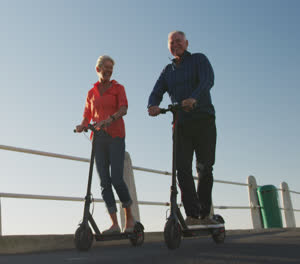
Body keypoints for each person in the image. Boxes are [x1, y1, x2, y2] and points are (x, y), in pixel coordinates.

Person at [147, 31, 218, 226]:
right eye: (172, 43)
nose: (175, 45)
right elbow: (156, 91)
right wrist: (152, 105)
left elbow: (207, 80)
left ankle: (204, 213)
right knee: (182, 168)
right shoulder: (167, 71)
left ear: (186, 43)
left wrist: (194, 98)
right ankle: (193, 215)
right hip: (181, 123)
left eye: (179, 41)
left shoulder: (198, 59)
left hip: (203, 119)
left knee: (204, 167)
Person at [75, 55, 135, 233]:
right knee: (104, 182)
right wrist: (82, 125)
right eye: (105, 68)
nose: (108, 71)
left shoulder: (118, 88)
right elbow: (87, 116)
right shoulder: (91, 93)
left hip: (116, 136)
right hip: (98, 139)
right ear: (98, 69)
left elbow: (123, 108)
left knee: (117, 178)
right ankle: (115, 224)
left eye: (111, 68)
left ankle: (130, 219)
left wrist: (109, 120)